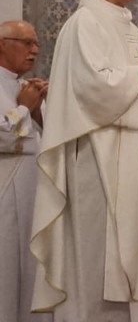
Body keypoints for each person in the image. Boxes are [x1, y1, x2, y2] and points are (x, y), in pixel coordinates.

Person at [31, 0, 138, 321]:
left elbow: (132, 82)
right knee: (101, 250)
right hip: (100, 156)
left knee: (137, 242)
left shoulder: (128, 26)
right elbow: (90, 87)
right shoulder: (84, 23)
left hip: (134, 154)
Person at [0, 20, 50, 322]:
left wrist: (35, 109)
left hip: (32, 189)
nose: (35, 50)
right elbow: (4, 137)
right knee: (5, 273)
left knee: (32, 272)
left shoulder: (22, 87)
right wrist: (23, 109)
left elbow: (43, 136)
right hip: (5, 190)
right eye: (26, 43)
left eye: (36, 43)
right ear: (2, 43)